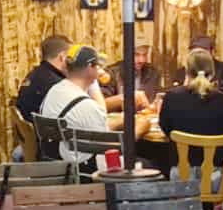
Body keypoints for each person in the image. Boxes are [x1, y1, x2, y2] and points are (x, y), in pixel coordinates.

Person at [160, 49, 223, 210]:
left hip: (182, 177)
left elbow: (166, 129)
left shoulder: (172, 98)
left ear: (187, 71)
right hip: (217, 178)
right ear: (213, 72)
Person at [40, 44, 150, 173]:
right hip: (86, 169)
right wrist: (139, 128)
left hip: (60, 161)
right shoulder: (86, 105)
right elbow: (111, 147)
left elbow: (93, 126)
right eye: (97, 66)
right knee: (152, 164)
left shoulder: (54, 91)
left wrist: (122, 120)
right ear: (90, 67)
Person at [15, 34, 71, 122]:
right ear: (62, 57)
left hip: (33, 128)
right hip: (45, 130)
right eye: (71, 57)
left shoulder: (35, 74)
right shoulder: (57, 85)